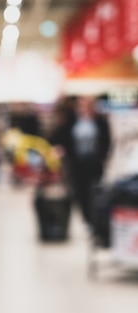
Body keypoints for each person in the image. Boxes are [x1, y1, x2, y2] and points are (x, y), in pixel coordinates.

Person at [50, 96, 111, 224]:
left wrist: (104, 156)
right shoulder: (71, 121)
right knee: (80, 193)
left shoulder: (100, 122)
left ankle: (96, 218)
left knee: (96, 191)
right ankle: (87, 218)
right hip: (77, 164)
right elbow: (57, 137)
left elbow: (106, 140)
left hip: (94, 163)